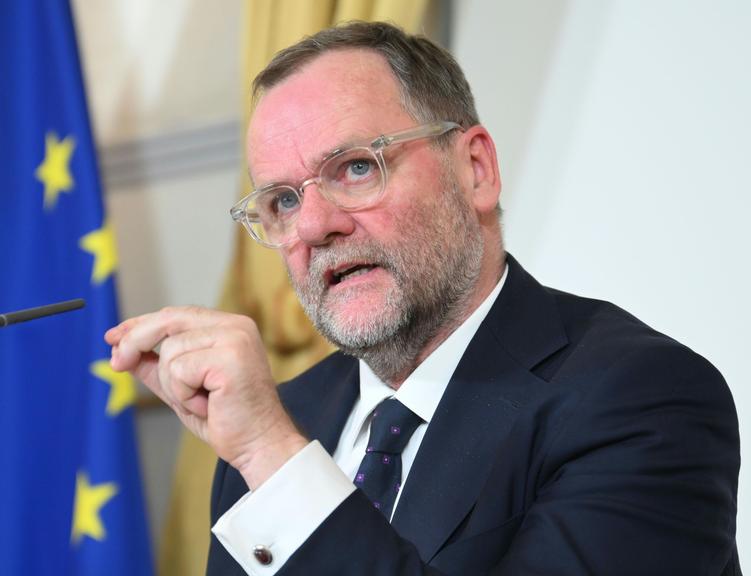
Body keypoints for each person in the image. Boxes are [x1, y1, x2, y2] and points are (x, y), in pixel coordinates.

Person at [106, 21, 740, 575]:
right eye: (284, 200)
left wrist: (272, 455)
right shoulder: (288, 419)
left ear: (476, 170)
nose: (314, 226)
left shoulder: (643, 400)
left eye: (357, 167)